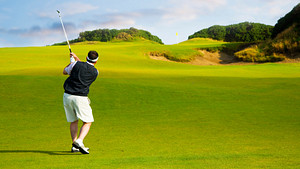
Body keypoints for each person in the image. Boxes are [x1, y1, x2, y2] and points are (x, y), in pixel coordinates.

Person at [63, 50, 99, 154]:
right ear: (96, 61)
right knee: (87, 121)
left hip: (67, 96)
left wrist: (72, 61)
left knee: (73, 120)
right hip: (80, 98)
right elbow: (85, 67)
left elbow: (65, 71)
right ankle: (79, 141)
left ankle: (74, 145)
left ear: (87, 57)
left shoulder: (75, 64)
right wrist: (75, 59)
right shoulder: (95, 72)